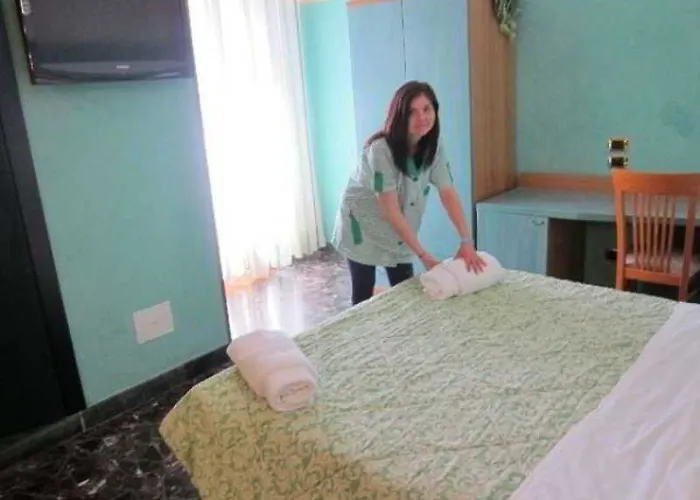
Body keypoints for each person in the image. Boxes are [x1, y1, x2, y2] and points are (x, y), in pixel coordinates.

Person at [331, 81, 485, 305]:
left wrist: (467, 240)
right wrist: (424, 255)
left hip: (398, 227)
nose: (422, 117)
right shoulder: (380, 151)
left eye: (427, 109)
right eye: (412, 112)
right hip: (361, 226)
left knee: (406, 290)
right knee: (363, 293)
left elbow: (448, 193)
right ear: (400, 116)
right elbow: (391, 210)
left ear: (435, 110)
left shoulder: (433, 146)